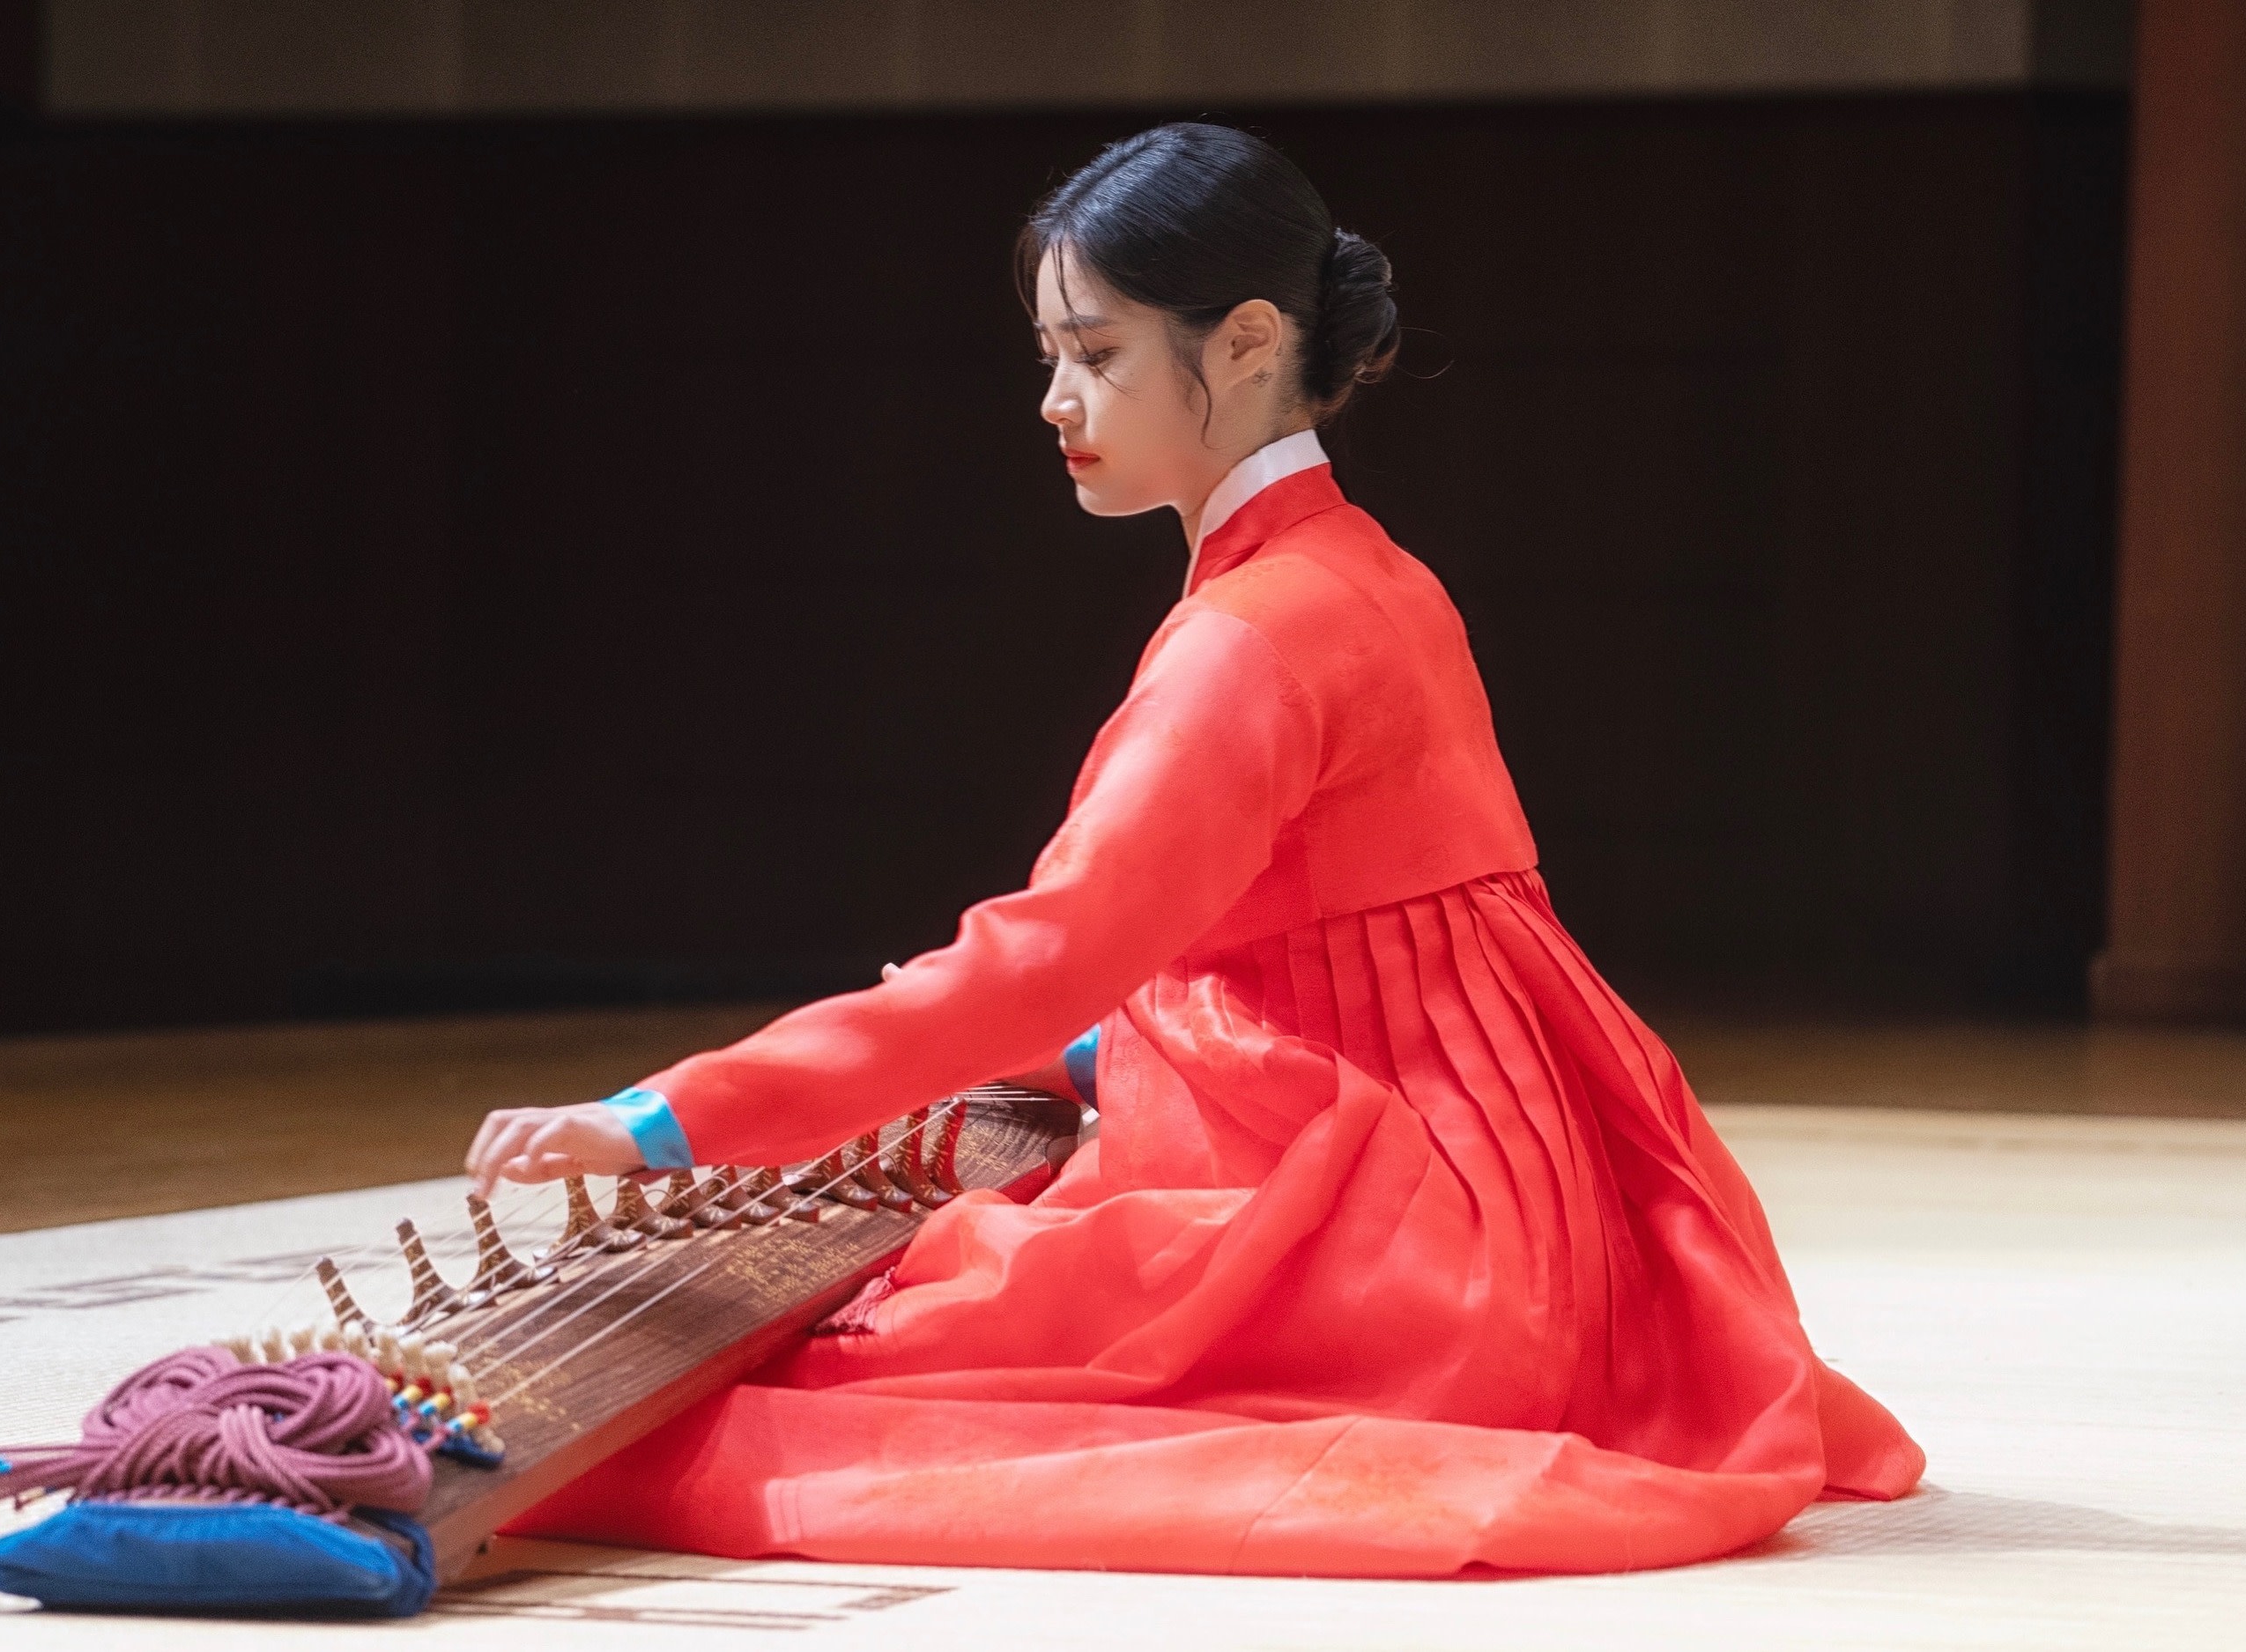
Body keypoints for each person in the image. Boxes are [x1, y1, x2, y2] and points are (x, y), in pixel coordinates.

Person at [463, 122, 1924, 1577]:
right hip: (1527, 1207)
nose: (1055, 400)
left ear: (1242, 343)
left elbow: (1040, 962)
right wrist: (1108, 1049)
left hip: (1388, 1233)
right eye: (1050, 356)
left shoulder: (1250, 639)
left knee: (817, 1405)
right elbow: (1352, 938)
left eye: (1095, 355)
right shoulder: (1374, 575)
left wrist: (664, 1119)